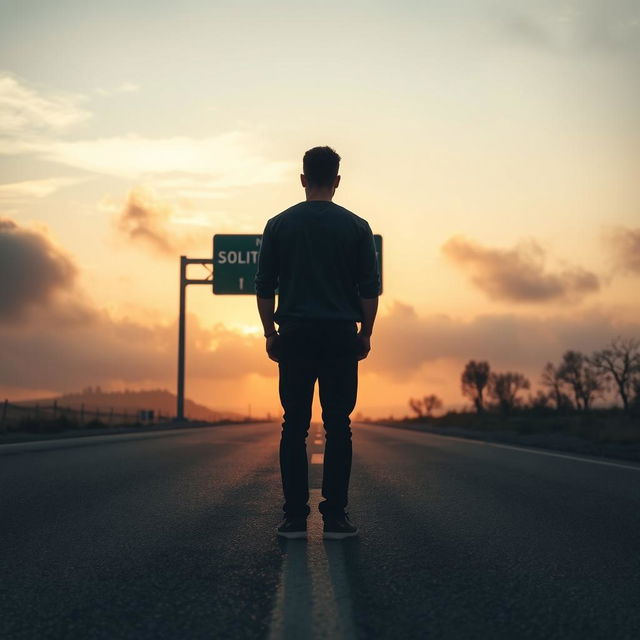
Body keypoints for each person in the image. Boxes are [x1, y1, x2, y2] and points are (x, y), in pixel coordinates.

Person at [255, 146, 380, 540]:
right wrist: (366, 334)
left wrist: (270, 334)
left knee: (293, 426)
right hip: (340, 336)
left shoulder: (278, 225)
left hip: (295, 335)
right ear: (337, 181)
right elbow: (369, 291)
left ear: (303, 179)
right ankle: (335, 518)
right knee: (339, 426)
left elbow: (263, 289)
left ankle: (294, 517)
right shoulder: (358, 228)